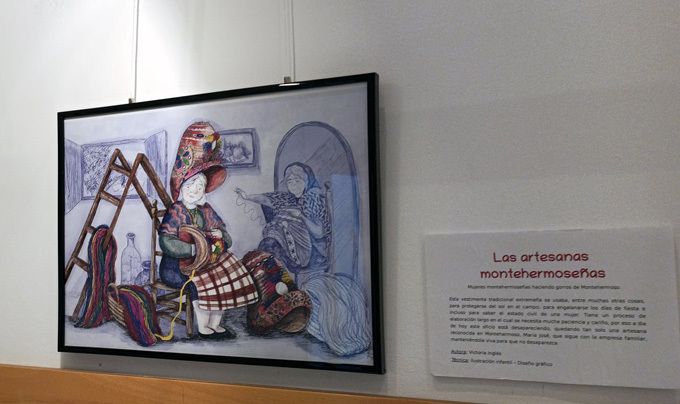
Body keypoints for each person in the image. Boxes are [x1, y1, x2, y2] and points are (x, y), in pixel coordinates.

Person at [159, 121, 258, 339]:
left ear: (205, 189)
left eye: (199, 186)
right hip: (176, 267)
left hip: (204, 262)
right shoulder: (176, 211)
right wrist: (192, 250)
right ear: (182, 187)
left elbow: (226, 238)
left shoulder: (206, 210)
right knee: (200, 282)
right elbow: (166, 241)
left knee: (226, 272)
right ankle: (204, 327)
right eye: (190, 185)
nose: (194, 190)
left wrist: (222, 236)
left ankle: (215, 324)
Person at [234, 162, 330, 284]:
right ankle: (266, 282)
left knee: (269, 246)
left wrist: (300, 216)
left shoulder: (313, 199)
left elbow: (319, 233)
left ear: (307, 181)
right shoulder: (287, 198)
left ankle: (270, 284)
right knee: (267, 246)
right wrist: (247, 197)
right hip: (284, 243)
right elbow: (266, 199)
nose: (293, 185)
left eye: (297, 181)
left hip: (309, 251)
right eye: (290, 182)